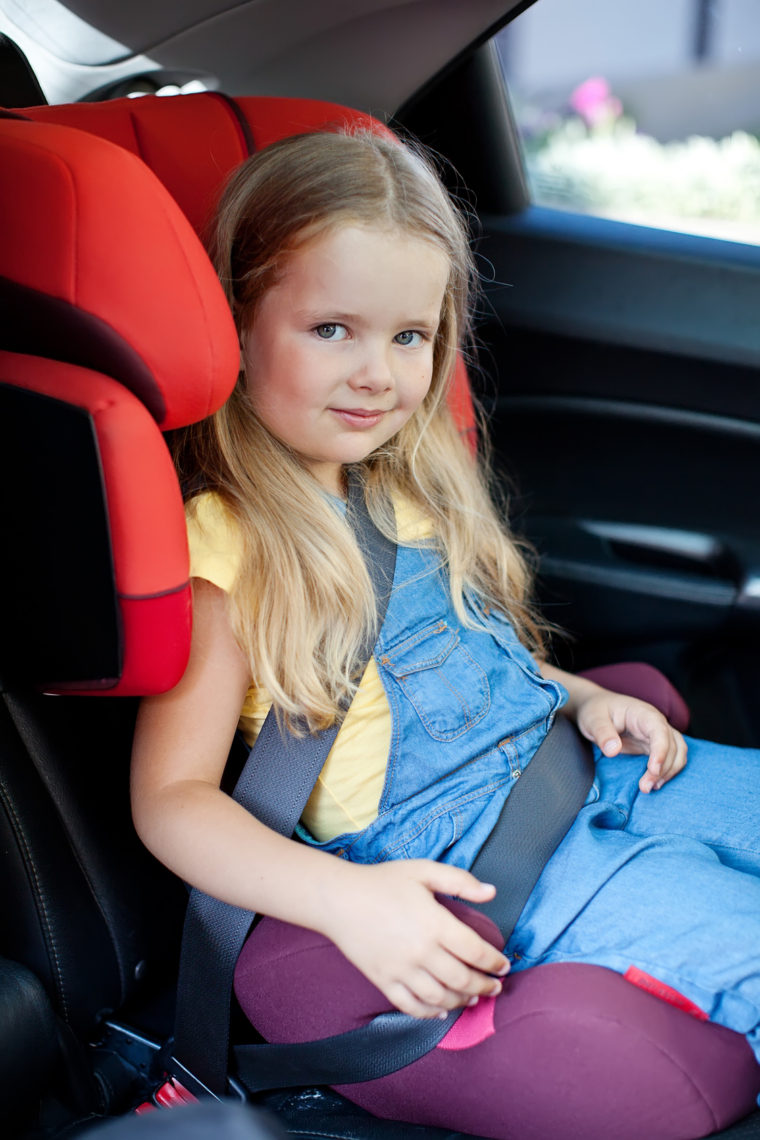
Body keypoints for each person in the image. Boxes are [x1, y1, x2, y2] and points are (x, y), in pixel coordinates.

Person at [130, 129, 760, 1137]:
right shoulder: (229, 550)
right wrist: (345, 903)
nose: (376, 373)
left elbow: (477, 654)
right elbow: (171, 802)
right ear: (237, 323)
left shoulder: (402, 486)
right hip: (485, 858)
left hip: (584, 773)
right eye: (331, 329)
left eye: (408, 337)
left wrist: (587, 696)